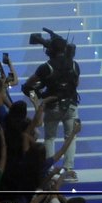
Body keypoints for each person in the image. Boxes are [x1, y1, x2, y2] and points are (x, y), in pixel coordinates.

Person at [21, 31, 81, 177]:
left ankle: (49, 171)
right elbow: (76, 83)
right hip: (71, 105)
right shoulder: (74, 65)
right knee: (70, 137)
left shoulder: (46, 67)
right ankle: (68, 168)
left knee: (49, 138)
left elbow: (28, 84)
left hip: (52, 106)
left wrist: (37, 94)